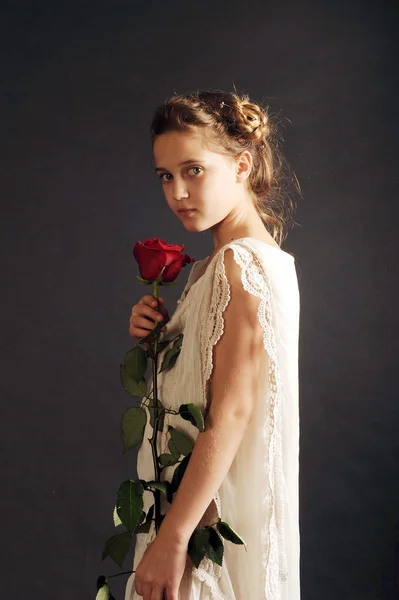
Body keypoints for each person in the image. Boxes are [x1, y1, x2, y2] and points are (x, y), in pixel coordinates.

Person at [125, 88, 301, 600]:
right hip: (189, 512)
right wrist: (163, 336)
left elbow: (233, 413)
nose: (177, 191)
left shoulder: (241, 265)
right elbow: (201, 391)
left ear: (242, 165)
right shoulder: (220, 267)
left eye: (193, 170)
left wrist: (174, 537)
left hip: (201, 527)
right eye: (166, 175)